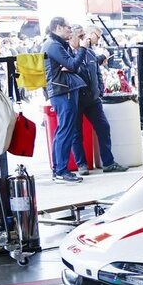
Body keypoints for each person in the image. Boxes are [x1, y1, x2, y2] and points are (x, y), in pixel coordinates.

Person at [67, 24, 128, 174]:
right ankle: (81, 164)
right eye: (81, 36)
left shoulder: (90, 53)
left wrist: (100, 90)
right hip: (76, 98)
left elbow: (97, 73)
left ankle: (108, 162)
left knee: (103, 127)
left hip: (93, 99)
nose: (84, 39)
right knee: (77, 133)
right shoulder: (68, 54)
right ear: (73, 37)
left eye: (84, 36)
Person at [41, 17, 87, 184]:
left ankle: (59, 169)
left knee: (63, 130)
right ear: (58, 27)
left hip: (63, 89)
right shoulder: (53, 45)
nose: (71, 30)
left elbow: (72, 65)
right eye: (68, 27)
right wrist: (82, 49)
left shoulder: (55, 44)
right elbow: (73, 65)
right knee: (65, 130)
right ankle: (61, 170)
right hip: (62, 90)